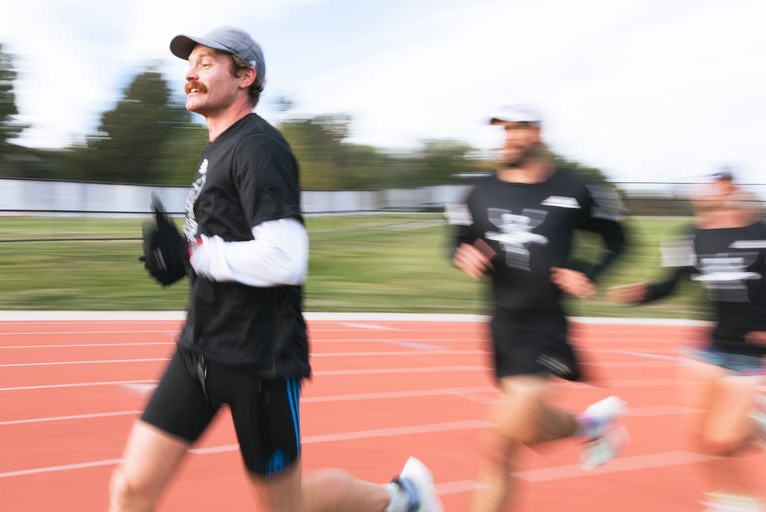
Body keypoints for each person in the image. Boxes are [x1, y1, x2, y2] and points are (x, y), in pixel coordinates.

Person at [109, 26, 442, 512]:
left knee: (285, 506)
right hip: (198, 348)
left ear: (245, 75)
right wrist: (182, 257)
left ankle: (402, 498)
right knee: (132, 489)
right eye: (190, 64)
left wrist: (194, 256)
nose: (190, 74)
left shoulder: (259, 148)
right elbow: (223, 236)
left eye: (206, 63)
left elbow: (285, 257)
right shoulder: (217, 148)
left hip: (257, 361)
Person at [448, 105, 629, 512]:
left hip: (545, 325)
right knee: (521, 435)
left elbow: (618, 238)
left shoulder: (575, 190)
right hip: (501, 326)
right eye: (503, 130)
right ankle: (592, 425)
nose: (508, 137)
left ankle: (592, 425)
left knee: (497, 441)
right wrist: (462, 254)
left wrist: (590, 272)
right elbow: (457, 239)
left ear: (537, 134)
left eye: (517, 129)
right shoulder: (479, 191)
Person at [609, 179, 766, 511]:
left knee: (724, 439)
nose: (713, 192)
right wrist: (643, 293)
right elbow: (673, 283)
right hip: (709, 348)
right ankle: (732, 501)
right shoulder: (692, 235)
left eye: (724, 187)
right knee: (700, 435)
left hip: (749, 352)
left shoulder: (762, 235)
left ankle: (755, 425)